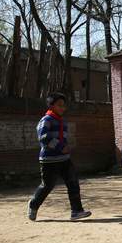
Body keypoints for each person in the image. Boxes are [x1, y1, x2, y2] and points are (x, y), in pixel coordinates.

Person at [27, 92, 91, 221]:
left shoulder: (61, 121)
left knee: (73, 183)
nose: (62, 108)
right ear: (51, 106)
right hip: (49, 160)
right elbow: (43, 138)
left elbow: (61, 138)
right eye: (59, 105)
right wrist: (61, 147)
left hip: (64, 159)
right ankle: (33, 205)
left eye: (64, 105)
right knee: (47, 185)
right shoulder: (46, 120)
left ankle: (76, 211)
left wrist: (65, 147)